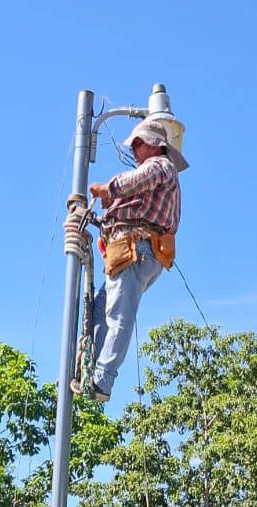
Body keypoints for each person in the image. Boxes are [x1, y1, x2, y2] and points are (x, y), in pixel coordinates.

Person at [70, 118, 188, 401]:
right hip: (128, 250)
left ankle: (103, 380)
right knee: (100, 312)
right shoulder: (154, 180)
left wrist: (107, 190)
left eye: (138, 143)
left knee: (118, 315)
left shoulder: (161, 166)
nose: (133, 150)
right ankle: (89, 371)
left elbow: (134, 181)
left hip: (139, 250)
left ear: (155, 145)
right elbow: (133, 200)